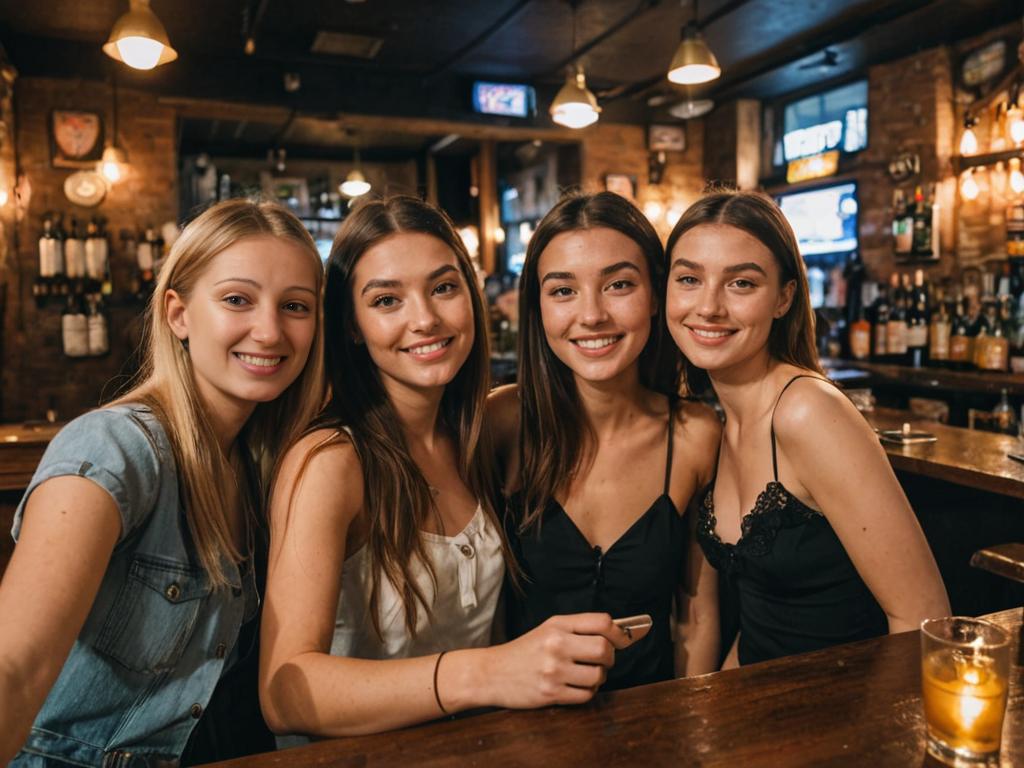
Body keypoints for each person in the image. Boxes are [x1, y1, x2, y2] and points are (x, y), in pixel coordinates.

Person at [259, 196, 642, 739]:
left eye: (443, 288)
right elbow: (283, 693)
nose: (425, 320)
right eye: (387, 300)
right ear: (350, 324)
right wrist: (488, 671)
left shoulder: (478, 434)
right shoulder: (331, 461)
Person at [0, 198, 326, 766]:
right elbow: (15, 667)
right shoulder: (114, 448)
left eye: (295, 306)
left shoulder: (259, 464)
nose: (270, 330)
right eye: (237, 300)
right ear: (178, 314)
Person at [665, 189, 950, 672]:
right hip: (765, 715)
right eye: (689, 278)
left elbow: (924, 620)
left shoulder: (807, 411)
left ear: (784, 298)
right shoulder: (719, 420)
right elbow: (764, 627)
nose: (709, 307)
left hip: (844, 718)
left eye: (741, 284)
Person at [489, 191, 720, 690]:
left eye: (618, 285)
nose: (591, 315)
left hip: (652, 729)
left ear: (656, 296)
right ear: (538, 307)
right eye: (563, 291)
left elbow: (696, 614)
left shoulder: (696, 436)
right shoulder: (502, 421)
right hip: (516, 730)